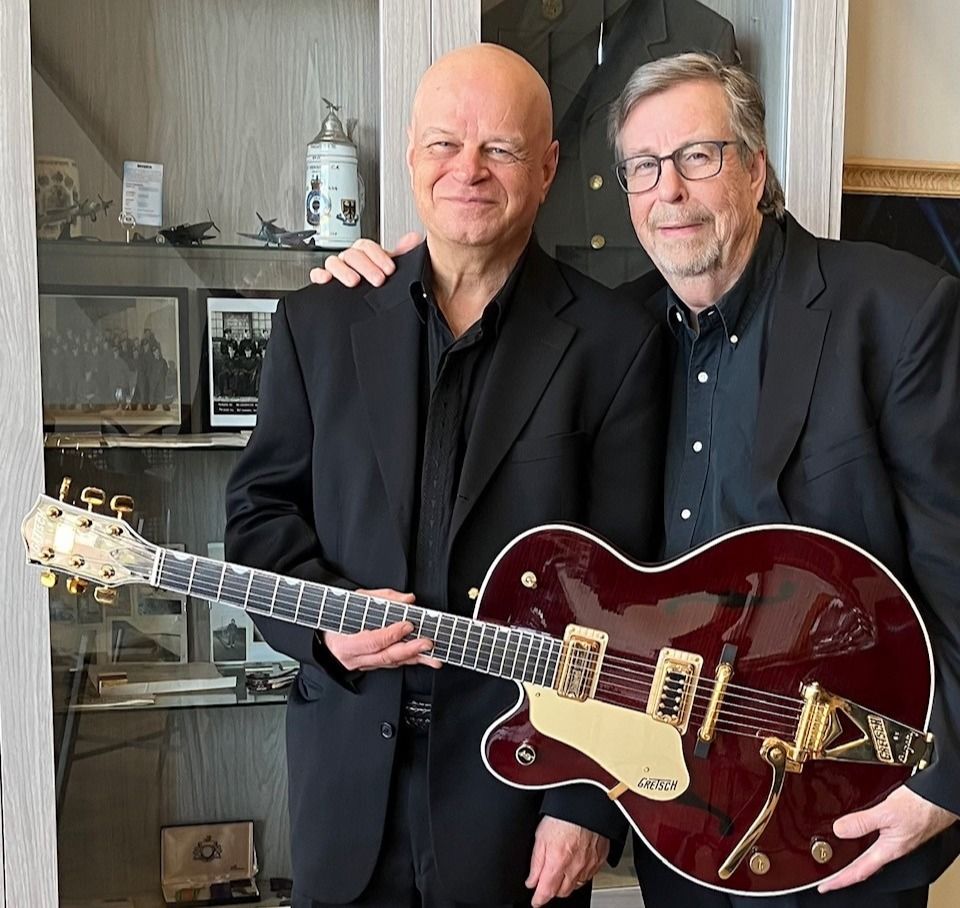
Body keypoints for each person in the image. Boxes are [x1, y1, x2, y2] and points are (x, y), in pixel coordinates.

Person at [311, 51, 960, 908]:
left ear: (755, 167)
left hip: (844, 811)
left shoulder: (897, 311)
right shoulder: (614, 334)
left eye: (698, 156)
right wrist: (405, 274)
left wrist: (947, 782)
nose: (670, 191)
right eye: (643, 167)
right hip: (681, 817)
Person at [224, 43, 667, 908]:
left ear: (547, 168)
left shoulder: (616, 345)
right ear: (410, 156)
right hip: (347, 788)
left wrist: (585, 801)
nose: (468, 170)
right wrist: (322, 631)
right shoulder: (317, 323)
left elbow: (633, 595)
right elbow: (259, 516)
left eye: (500, 148)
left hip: (519, 799)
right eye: (443, 144)